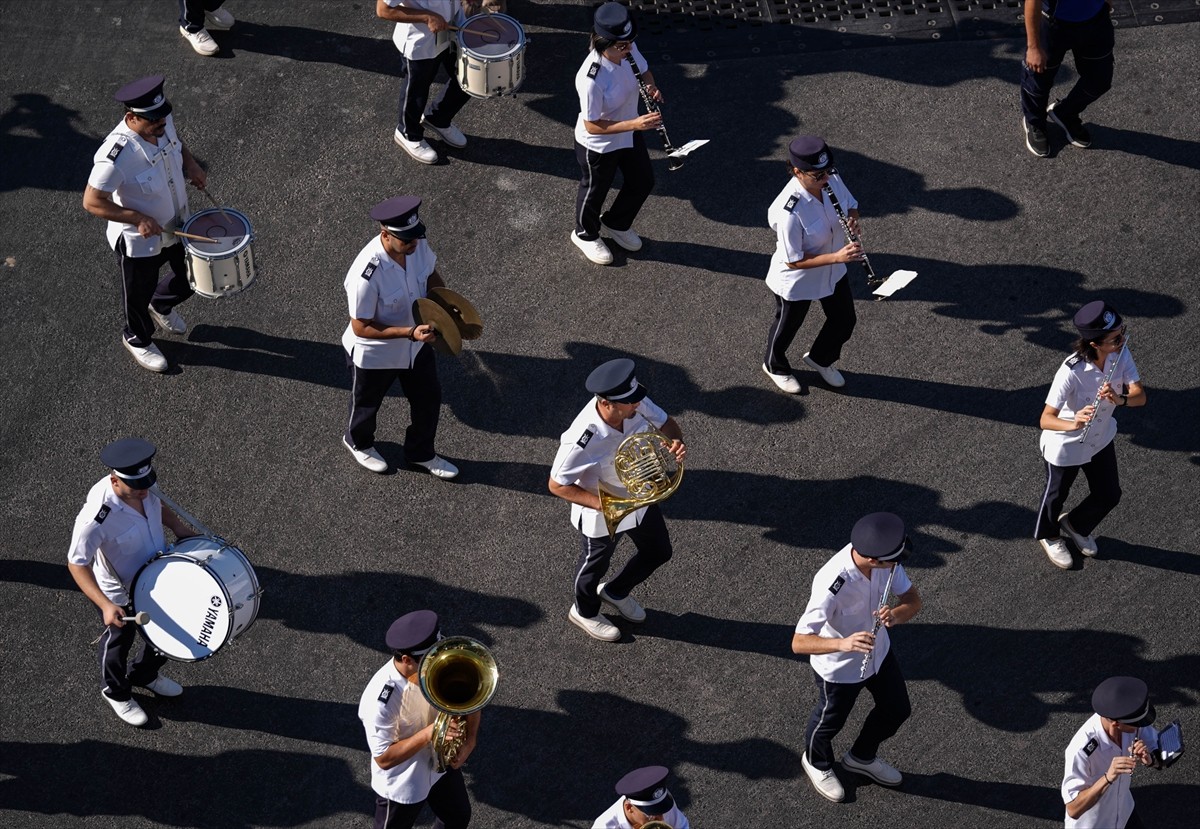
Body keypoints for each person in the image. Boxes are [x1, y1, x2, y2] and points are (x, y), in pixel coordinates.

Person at [549, 358, 686, 642]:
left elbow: (667, 424)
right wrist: (605, 504)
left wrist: (675, 443)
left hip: (640, 497)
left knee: (659, 551)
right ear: (606, 403)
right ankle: (584, 612)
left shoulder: (634, 403)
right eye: (629, 402)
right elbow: (557, 485)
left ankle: (616, 591)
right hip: (603, 512)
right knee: (594, 567)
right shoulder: (581, 440)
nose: (637, 404)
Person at [66, 438, 197, 727]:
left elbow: (156, 504)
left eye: (146, 483)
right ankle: (115, 692)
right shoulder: (96, 518)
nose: (144, 491)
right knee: (118, 643)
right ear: (115, 480)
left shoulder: (142, 487)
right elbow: (76, 564)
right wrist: (105, 605)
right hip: (120, 593)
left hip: (157, 578)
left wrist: (178, 528)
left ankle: (144, 674)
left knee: (166, 631)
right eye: (136, 487)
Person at [791, 512, 921, 803]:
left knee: (897, 709)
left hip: (879, 655)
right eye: (891, 562)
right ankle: (816, 762)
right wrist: (844, 643)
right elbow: (798, 642)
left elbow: (912, 600)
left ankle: (861, 756)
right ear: (873, 559)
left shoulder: (888, 561)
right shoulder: (832, 583)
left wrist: (896, 615)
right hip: (840, 669)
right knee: (829, 722)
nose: (897, 565)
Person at [83, 75, 208, 373]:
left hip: (177, 224)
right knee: (137, 297)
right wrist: (138, 218)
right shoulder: (115, 156)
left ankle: (161, 303)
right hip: (140, 241)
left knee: (194, 277)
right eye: (153, 120)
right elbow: (92, 201)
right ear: (131, 118)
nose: (161, 123)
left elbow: (176, 143)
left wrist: (190, 164)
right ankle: (137, 338)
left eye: (163, 116)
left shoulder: (161, 122)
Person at [341, 196, 460, 479]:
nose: (413, 243)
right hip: (376, 353)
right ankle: (358, 442)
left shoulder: (416, 244)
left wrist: (445, 303)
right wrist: (409, 333)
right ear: (385, 235)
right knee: (366, 405)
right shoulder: (366, 275)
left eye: (415, 236)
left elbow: (430, 274)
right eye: (406, 240)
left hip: (416, 345)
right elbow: (361, 327)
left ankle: (421, 453)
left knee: (428, 398)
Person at [1035, 300, 1145, 569]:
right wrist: (1073, 423)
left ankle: (1076, 524)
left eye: (1122, 332)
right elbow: (1045, 419)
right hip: (1066, 444)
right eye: (1115, 338)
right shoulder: (1071, 371)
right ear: (1095, 343)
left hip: (1100, 438)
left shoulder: (1121, 354)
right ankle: (1049, 536)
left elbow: (1140, 397)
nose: (1122, 340)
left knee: (1109, 493)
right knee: (1056, 496)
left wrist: (1120, 399)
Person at [359, 610, 478, 829]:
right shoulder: (380, 701)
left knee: (457, 818)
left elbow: (471, 697)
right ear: (407, 660)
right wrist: (430, 733)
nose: (440, 661)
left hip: (441, 767)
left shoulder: (437, 665)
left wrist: (470, 739)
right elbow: (383, 758)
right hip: (405, 783)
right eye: (430, 658)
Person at [761, 136, 862, 394]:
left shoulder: (830, 178)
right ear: (798, 172)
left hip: (833, 268)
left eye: (828, 170)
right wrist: (838, 257)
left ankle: (821, 358)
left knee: (844, 320)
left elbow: (851, 205)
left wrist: (852, 220)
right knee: (787, 326)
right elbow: (793, 260)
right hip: (798, 279)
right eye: (818, 175)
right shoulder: (790, 212)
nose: (826, 178)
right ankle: (774, 366)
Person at [570, 2, 664, 266]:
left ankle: (616, 222)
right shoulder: (592, 79)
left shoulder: (627, 49)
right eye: (622, 46)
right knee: (595, 191)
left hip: (629, 130)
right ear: (603, 44)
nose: (629, 48)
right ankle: (584, 234)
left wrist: (652, 86)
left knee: (642, 181)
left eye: (630, 42)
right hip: (599, 143)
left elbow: (645, 71)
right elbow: (592, 125)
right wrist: (635, 124)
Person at [377, 0, 472, 165]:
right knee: (417, 92)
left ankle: (438, 118)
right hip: (421, 43)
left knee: (468, 79)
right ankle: (407, 133)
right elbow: (383, 10)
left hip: (454, 29)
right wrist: (427, 17)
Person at [1019, 0, 1115, 157]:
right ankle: (1034, 121)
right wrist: (1034, 47)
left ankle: (1065, 113)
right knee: (1038, 81)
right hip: (1053, 23)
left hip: (1096, 20)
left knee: (1099, 79)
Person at [1062, 676, 1158, 828]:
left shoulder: (1130, 721)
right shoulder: (1081, 750)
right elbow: (1073, 809)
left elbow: (1160, 750)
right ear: (1115, 723)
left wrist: (1150, 760)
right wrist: (1108, 777)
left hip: (1125, 815)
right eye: (1135, 724)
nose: (1140, 727)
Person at [592, 765, 691, 829]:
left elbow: (682, 826)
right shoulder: (603, 826)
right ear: (629, 808)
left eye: (661, 812)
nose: (661, 819)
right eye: (651, 815)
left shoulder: (660, 804)